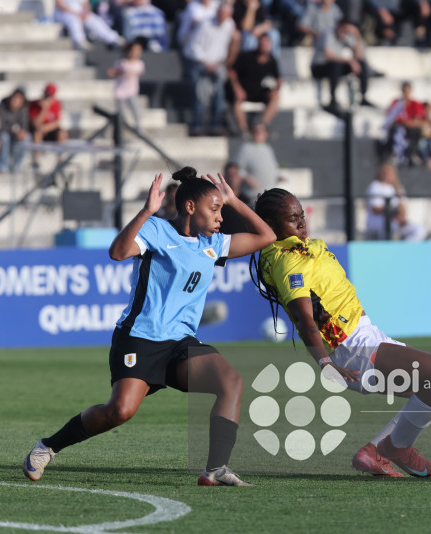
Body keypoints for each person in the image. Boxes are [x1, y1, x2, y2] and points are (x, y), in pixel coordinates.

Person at [22, 168, 277, 486]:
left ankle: (215, 468)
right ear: (189, 207)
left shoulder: (212, 244)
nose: (220, 216)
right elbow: (117, 253)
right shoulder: (157, 230)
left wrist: (232, 199)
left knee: (231, 382)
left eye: (221, 209)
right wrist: (145, 212)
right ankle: (48, 446)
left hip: (180, 342)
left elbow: (267, 237)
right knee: (120, 411)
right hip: (140, 338)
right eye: (214, 209)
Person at [252, 188, 431, 477]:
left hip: (366, 336)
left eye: (302, 215)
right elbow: (303, 318)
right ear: (271, 225)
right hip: (352, 348)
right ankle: (393, 448)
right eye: (292, 219)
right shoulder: (289, 259)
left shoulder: (302, 247)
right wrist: (326, 365)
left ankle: (377, 451)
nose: (302, 223)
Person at [181, 3, 238, 136]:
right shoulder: (205, 24)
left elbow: (223, 47)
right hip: (198, 62)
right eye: (221, 13)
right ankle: (197, 126)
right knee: (200, 94)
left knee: (219, 94)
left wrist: (219, 63)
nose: (223, 17)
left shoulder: (229, 25)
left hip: (216, 64)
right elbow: (194, 46)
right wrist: (206, 63)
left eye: (226, 14)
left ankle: (215, 126)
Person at [310, 20, 375, 113]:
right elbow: (328, 56)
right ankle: (332, 100)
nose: (345, 32)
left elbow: (359, 56)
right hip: (319, 67)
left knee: (361, 64)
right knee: (336, 66)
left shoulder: (346, 36)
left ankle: (363, 97)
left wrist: (357, 35)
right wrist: (350, 61)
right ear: (339, 26)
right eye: (344, 29)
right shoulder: (328, 34)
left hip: (335, 66)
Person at [227, 33, 282, 131]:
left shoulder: (272, 61)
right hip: (244, 92)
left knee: (275, 99)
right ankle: (243, 130)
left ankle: (262, 126)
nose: (264, 45)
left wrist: (276, 90)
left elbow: (279, 80)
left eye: (266, 43)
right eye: (262, 43)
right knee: (237, 102)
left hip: (261, 93)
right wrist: (237, 89)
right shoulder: (246, 57)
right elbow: (232, 72)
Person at [365, 161, 426, 240]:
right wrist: (392, 214)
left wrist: (401, 218)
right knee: (388, 228)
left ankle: (403, 250)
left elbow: (403, 206)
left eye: (390, 172)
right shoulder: (375, 186)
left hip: (396, 221)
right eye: (385, 172)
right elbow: (376, 209)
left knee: (419, 230)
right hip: (378, 221)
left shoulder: (398, 188)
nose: (387, 174)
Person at [383, 81, 427, 165]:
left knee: (417, 131)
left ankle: (413, 154)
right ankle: (394, 154)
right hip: (399, 126)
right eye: (404, 90)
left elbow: (419, 120)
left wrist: (409, 123)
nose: (406, 93)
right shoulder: (397, 103)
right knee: (396, 129)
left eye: (408, 90)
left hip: (410, 127)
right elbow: (391, 116)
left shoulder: (415, 103)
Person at [54, 0, 125, 50]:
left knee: (95, 20)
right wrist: (77, 14)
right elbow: (60, 6)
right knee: (74, 21)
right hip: (64, 14)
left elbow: (86, 4)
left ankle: (114, 39)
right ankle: (79, 41)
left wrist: (86, 13)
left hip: (80, 13)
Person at [107, 41, 145, 131]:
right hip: (120, 91)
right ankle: (121, 129)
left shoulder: (139, 64)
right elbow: (115, 73)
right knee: (120, 112)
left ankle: (139, 127)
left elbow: (138, 74)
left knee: (134, 109)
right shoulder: (122, 63)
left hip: (132, 90)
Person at [232, 122, 280, 191]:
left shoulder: (268, 148)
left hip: (268, 192)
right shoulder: (245, 148)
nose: (259, 133)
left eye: (261, 131)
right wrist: (247, 178)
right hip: (250, 194)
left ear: (265, 134)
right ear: (252, 133)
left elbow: (274, 167)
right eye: (256, 131)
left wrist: (277, 176)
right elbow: (236, 169)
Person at [0, 88, 29, 173]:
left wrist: (22, 132)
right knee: (3, 137)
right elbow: (0, 125)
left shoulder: (23, 108)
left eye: (18, 99)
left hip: (17, 134)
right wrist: (13, 131)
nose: (15, 100)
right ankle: (2, 166)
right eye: (14, 98)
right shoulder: (3, 105)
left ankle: (17, 165)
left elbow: (24, 124)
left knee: (26, 138)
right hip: (5, 132)